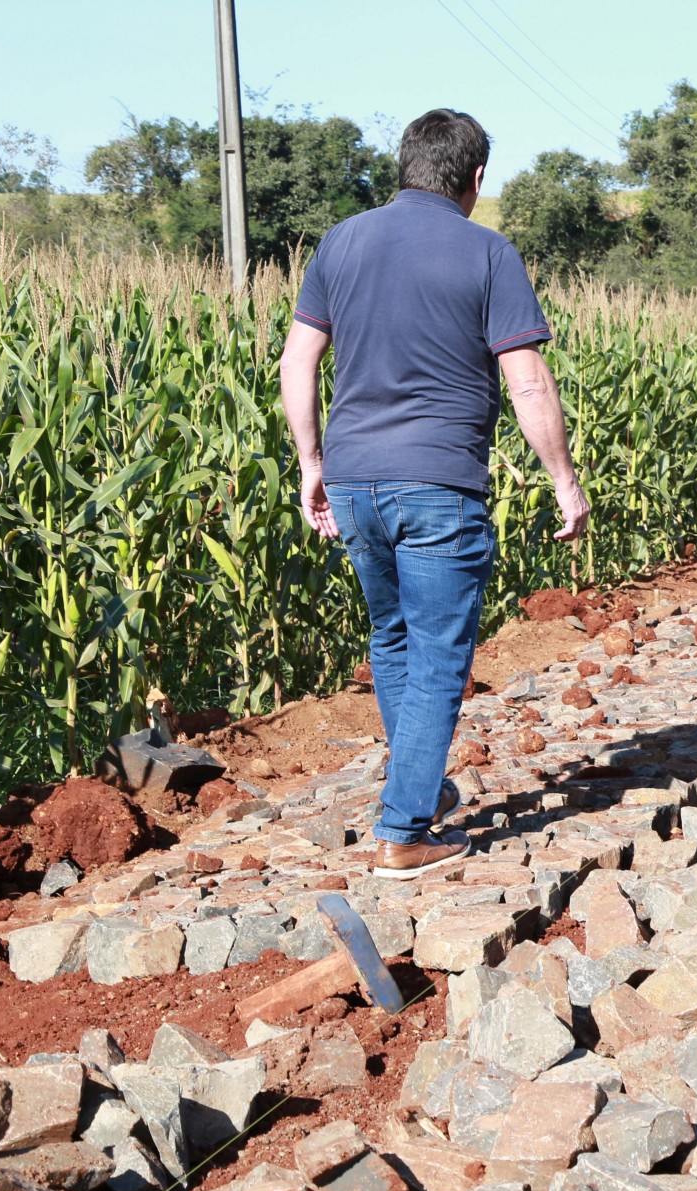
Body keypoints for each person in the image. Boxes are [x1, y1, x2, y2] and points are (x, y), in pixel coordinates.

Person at [279, 108, 589, 879]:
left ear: (404, 167)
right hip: (439, 483)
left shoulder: (340, 241)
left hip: (353, 480)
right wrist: (563, 479)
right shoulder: (488, 252)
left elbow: (298, 359)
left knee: (393, 639)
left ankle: (419, 789)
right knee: (442, 656)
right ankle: (404, 833)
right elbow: (527, 380)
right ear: (475, 178)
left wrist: (310, 462)